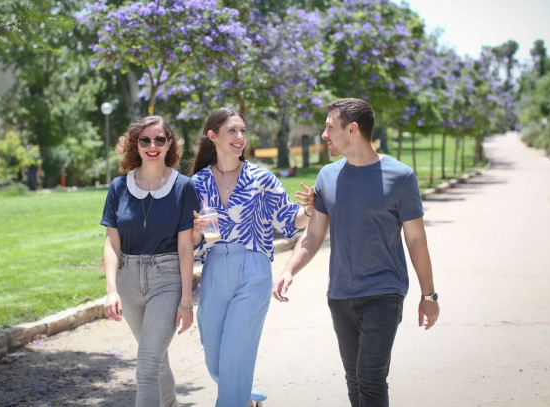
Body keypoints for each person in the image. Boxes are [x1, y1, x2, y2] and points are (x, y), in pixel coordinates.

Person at [273, 98, 440, 407]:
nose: (324, 135)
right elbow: (313, 235)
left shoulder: (401, 177)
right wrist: (289, 270)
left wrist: (428, 296)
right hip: (340, 295)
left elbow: (416, 240)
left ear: (352, 129)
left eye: (329, 128)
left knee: (371, 378)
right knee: (354, 380)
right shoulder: (327, 176)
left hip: (383, 293)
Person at [190, 107, 314, 407]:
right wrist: (195, 231)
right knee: (213, 353)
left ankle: (234, 398)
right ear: (213, 136)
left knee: (235, 353)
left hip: (253, 268)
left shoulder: (261, 178)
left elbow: (288, 220)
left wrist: (310, 210)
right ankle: (244, 395)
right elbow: (192, 243)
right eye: (232, 130)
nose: (239, 137)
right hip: (215, 266)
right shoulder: (197, 183)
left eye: (242, 131)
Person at [101, 115, 200, 407]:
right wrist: (111, 289)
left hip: (167, 279)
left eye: (160, 139)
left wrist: (186, 301)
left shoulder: (184, 187)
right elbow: (111, 242)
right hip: (128, 281)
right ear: (136, 145)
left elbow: (185, 248)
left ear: (170, 144)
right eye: (145, 140)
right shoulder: (119, 187)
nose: (152, 145)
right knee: (155, 359)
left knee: (146, 362)